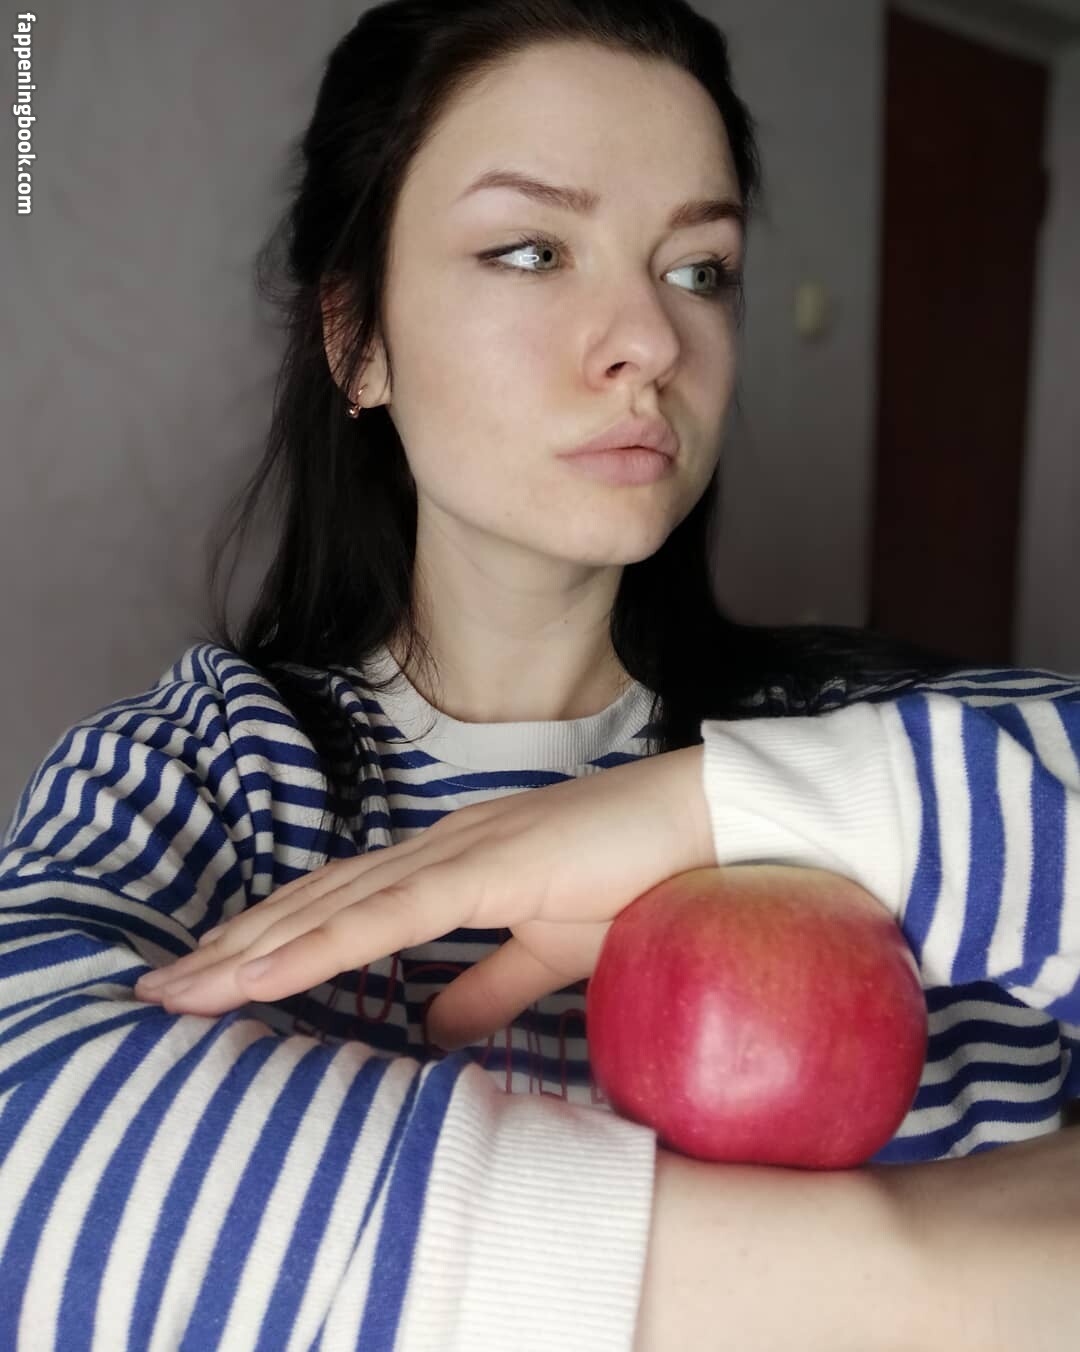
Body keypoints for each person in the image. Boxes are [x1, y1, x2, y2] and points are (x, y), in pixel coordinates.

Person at [2, 1, 1078, 1348]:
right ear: (357, 338)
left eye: (699, 268)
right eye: (531, 250)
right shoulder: (205, 773)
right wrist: (926, 1266)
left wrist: (726, 809)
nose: (653, 342)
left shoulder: (892, 758)